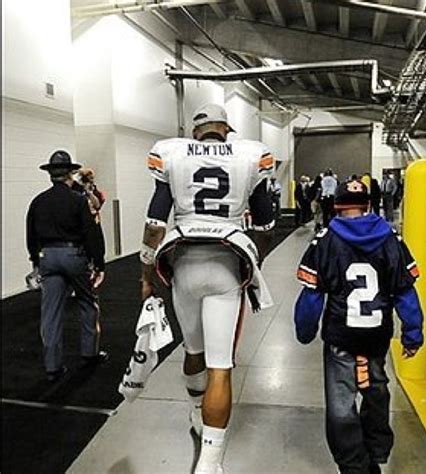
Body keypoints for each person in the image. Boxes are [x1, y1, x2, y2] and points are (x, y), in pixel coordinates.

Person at [140, 103, 275, 474]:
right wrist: (255, 259)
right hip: (226, 262)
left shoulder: (172, 153)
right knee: (221, 367)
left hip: (182, 262)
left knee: (192, 349)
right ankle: (209, 463)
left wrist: (146, 275)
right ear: (226, 129)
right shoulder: (250, 154)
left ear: (194, 131)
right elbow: (265, 223)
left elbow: (155, 222)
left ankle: (196, 413)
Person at [294, 178, 424, 474]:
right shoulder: (392, 239)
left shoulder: (325, 241)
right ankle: (376, 451)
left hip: (341, 337)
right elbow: (405, 291)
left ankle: (354, 465)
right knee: (376, 389)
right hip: (377, 336)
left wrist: (305, 331)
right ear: (368, 205)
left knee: (341, 403)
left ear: (337, 206)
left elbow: (312, 295)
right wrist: (412, 334)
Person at [26, 151, 108, 382]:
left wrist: (36, 261)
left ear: (50, 174)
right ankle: (89, 354)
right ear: (71, 174)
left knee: (50, 312)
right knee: (87, 303)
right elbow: (90, 233)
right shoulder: (78, 200)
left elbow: (31, 235)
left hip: (48, 257)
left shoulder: (38, 201)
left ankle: (53, 367)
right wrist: (98, 263)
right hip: (74, 255)